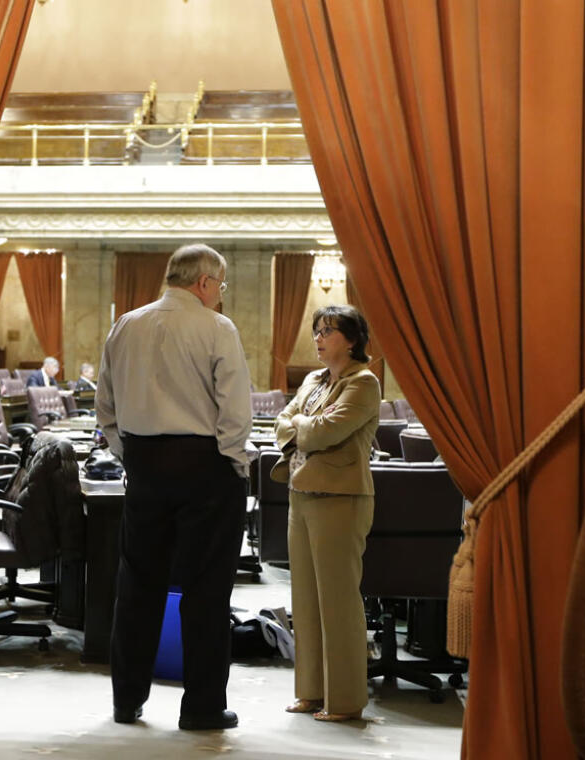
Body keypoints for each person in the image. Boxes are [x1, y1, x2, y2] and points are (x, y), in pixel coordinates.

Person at [96, 243, 252, 731]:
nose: (219, 296)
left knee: (137, 585)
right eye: (219, 286)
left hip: (144, 467)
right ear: (204, 282)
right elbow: (235, 411)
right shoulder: (216, 327)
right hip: (205, 467)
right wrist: (233, 461)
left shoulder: (125, 324)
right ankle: (202, 707)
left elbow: (106, 407)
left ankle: (127, 700)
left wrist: (132, 456)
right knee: (206, 592)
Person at [272, 305, 381, 722]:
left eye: (328, 332)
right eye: (317, 331)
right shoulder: (315, 380)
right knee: (306, 599)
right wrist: (302, 423)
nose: (318, 339)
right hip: (300, 492)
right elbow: (282, 422)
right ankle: (311, 692)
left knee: (337, 601)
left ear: (351, 340)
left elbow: (325, 432)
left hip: (342, 498)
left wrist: (301, 424)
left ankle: (345, 700)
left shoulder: (365, 383)